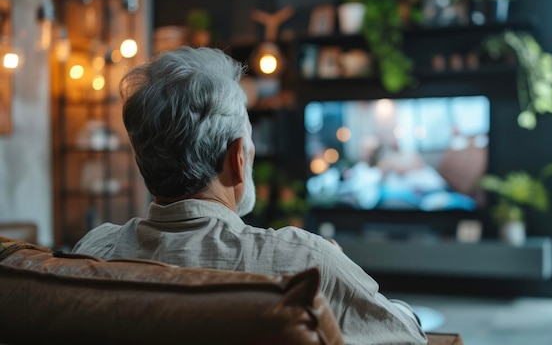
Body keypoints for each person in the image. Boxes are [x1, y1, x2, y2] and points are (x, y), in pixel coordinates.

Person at [72, 46, 427, 345]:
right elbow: (407, 336)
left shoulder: (93, 251)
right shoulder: (307, 265)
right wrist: (342, 274)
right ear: (238, 158)